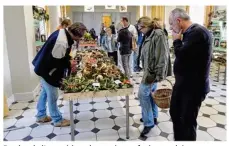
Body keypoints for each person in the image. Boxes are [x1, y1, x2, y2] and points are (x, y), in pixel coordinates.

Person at [169, 8, 212, 141]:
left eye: (171, 24)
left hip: (193, 88)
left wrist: (176, 40)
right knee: (176, 114)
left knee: (187, 123)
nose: (171, 28)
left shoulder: (197, 32)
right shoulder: (191, 32)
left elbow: (182, 55)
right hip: (184, 85)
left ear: (178, 21)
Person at [32, 22, 87, 127]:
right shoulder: (62, 41)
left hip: (42, 66)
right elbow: (57, 61)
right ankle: (57, 120)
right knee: (53, 95)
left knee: (44, 92)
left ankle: (41, 115)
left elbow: (62, 55)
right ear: (76, 34)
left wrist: (69, 60)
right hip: (47, 70)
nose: (80, 39)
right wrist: (69, 64)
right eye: (80, 37)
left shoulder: (62, 32)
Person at [137, 16, 169, 136]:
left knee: (142, 95)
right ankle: (153, 117)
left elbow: (162, 57)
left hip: (153, 73)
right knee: (150, 94)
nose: (139, 29)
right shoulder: (149, 34)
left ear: (146, 26)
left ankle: (149, 122)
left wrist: (158, 75)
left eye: (140, 27)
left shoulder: (158, 34)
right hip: (149, 71)